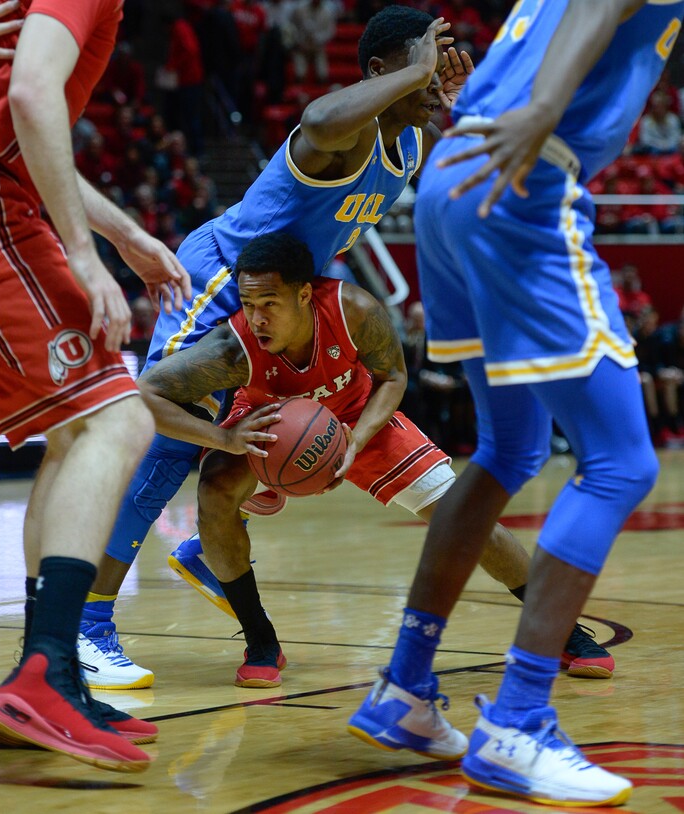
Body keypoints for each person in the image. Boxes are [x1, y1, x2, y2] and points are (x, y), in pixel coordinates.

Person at [75, 5, 476, 689]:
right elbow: (319, 119)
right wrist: (412, 70)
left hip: (292, 302)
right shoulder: (341, 137)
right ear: (381, 71)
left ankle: (211, 549)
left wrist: (455, 98)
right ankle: (86, 626)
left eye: (439, 69)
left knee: (287, 434)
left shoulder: (407, 142)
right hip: (224, 283)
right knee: (167, 444)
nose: (436, 80)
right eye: (424, 69)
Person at [349, 0, 677, 807]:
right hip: (525, 176)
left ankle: (405, 689)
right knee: (621, 464)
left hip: (456, 174)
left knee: (509, 451)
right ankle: (520, 720)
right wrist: (538, 112)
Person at [137, 231, 608, 696]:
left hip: (357, 414)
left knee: (464, 517)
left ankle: (561, 630)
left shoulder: (354, 310)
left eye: (269, 304)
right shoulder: (231, 348)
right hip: (270, 419)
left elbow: (394, 376)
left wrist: (354, 441)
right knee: (214, 493)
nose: (256, 317)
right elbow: (145, 393)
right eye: (248, 303)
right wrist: (222, 437)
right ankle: (261, 642)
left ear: (304, 294)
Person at [0, 0, 190, 772]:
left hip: (6, 194)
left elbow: (20, 125)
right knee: (119, 421)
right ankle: (43, 674)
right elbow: (32, 99)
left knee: (78, 430)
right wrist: (82, 250)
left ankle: (54, 673)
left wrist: (124, 233)